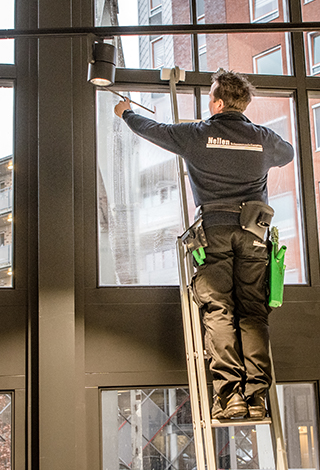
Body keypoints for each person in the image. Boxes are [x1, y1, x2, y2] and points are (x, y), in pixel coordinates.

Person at [114, 69, 294, 420]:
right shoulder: (263, 138)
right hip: (254, 234)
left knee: (219, 310)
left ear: (217, 101)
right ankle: (257, 397)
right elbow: (286, 153)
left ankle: (231, 397)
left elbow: (153, 130)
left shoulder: (198, 134)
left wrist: (126, 113)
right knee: (254, 314)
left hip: (215, 230)